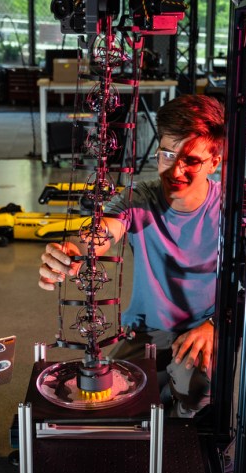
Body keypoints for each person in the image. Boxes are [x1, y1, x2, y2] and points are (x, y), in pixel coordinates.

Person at [38, 94, 225, 417]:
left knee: (194, 390)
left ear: (214, 162)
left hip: (205, 327)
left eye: (190, 160)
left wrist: (216, 325)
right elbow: (104, 232)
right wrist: (73, 251)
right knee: (113, 402)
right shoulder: (139, 198)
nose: (175, 170)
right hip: (147, 330)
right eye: (168, 154)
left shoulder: (233, 209)